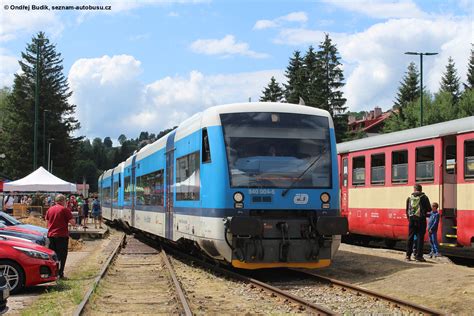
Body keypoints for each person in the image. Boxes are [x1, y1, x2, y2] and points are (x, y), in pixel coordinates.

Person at [45, 194, 75, 279]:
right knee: (62, 255)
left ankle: (53, 273)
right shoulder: (65, 209)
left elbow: (47, 223)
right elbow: (73, 222)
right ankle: (60, 273)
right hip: (61, 235)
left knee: (53, 256)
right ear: (63, 201)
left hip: (51, 235)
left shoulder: (50, 209)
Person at [405, 184, 431, 262]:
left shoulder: (409, 198)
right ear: (421, 189)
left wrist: (409, 219)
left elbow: (407, 210)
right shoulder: (424, 198)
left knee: (410, 237)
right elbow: (429, 209)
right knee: (420, 238)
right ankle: (418, 256)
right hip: (421, 220)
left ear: (414, 189)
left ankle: (408, 256)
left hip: (412, 219)